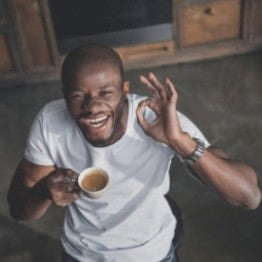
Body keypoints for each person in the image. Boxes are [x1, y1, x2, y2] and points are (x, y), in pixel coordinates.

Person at [7, 45, 261, 262]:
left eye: (106, 93)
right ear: (64, 97)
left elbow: (249, 196)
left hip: (153, 253)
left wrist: (178, 141)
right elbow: (19, 209)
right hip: (82, 254)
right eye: (78, 96)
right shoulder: (50, 121)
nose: (93, 106)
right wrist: (43, 192)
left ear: (124, 90)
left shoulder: (155, 116)